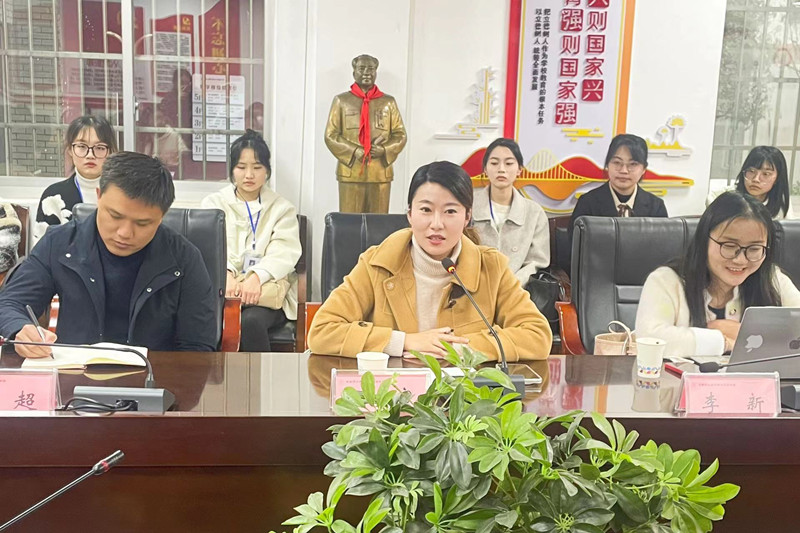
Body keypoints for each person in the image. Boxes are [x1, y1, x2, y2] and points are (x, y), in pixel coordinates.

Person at [307, 160, 552, 360]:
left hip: (467, 397)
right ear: (410, 214)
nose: (437, 224)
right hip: (392, 395)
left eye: (450, 211)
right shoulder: (377, 263)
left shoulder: (491, 267)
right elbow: (322, 332)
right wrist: (403, 341)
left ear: (467, 216)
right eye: (425, 210)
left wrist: (463, 348)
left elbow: (537, 336)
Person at [0, 152, 218, 357]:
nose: (124, 233)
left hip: (154, 377)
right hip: (75, 373)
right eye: (115, 216)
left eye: (142, 223)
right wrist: (20, 329)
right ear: (98, 196)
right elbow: (10, 303)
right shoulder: (60, 244)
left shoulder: (184, 259)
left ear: (162, 216)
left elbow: (197, 347)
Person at [636, 191, 800, 357]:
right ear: (704, 240)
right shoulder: (666, 280)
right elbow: (649, 339)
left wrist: (736, 331)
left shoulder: (772, 279)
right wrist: (723, 342)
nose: (740, 260)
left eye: (754, 249)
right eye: (729, 246)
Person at [201, 130, 301, 352]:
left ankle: (264, 375)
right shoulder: (213, 203)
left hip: (265, 292)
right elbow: (208, 247)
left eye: (257, 167)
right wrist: (225, 275)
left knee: (251, 322)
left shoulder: (281, 208)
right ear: (232, 170)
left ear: (267, 171)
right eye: (241, 167)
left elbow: (285, 251)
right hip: (223, 288)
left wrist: (257, 277)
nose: (249, 175)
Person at [324, 54, 407, 213]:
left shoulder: (388, 102)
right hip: (350, 172)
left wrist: (384, 149)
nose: (367, 72)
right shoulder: (341, 101)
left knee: (378, 222)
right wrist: (354, 150)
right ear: (354, 72)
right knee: (350, 222)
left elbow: (400, 134)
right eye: (362, 68)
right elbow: (331, 135)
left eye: (371, 69)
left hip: (380, 172)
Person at [472, 137, 549, 286]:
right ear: (485, 169)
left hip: (518, 290)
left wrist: (511, 285)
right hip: (476, 288)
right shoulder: (469, 207)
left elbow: (537, 261)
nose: (501, 169)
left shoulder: (534, 212)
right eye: (494, 163)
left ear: (519, 169)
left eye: (508, 163)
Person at [34, 115, 118, 242]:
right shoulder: (53, 196)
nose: (90, 155)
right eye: (82, 146)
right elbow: (42, 249)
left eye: (100, 148)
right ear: (70, 150)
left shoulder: (122, 194)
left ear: (110, 151)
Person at [570, 133, 668, 233]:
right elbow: (576, 241)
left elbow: (662, 242)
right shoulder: (587, 203)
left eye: (633, 164)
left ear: (644, 169)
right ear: (607, 164)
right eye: (617, 162)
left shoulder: (656, 207)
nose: (624, 170)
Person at [706, 146, 795, 220]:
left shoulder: (781, 203)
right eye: (751, 171)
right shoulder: (722, 197)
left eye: (766, 174)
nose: (756, 179)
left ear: (777, 179)